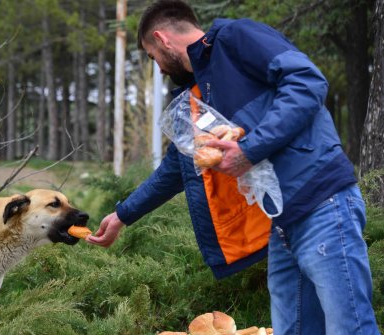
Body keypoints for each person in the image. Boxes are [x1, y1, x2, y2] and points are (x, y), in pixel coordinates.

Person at [86, 1, 380, 334]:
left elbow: (308, 82)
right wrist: (123, 214)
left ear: (163, 39)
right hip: (282, 227)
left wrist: (249, 150)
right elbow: (177, 167)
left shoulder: (236, 37)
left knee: (350, 328)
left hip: (323, 205)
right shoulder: (196, 93)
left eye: (153, 57)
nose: (159, 70)